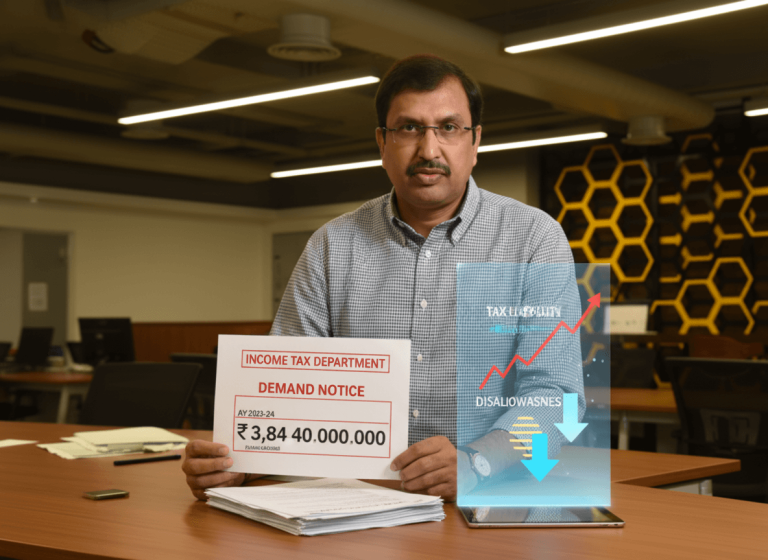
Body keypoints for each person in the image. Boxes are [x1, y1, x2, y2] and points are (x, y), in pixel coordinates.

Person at [183, 55, 583, 502]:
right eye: (409, 128)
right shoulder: (332, 246)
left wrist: (477, 462)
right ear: (382, 142)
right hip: (353, 507)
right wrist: (241, 464)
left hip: (487, 501)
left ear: (475, 142)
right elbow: (285, 393)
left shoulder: (533, 239)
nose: (429, 150)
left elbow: (557, 399)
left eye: (449, 128)